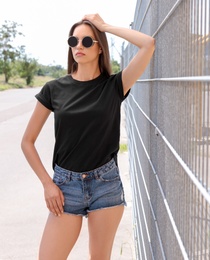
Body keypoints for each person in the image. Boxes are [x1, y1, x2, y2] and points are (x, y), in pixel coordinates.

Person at [21, 14, 155, 259]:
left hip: (105, 185)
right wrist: (47, 184)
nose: (78, 46)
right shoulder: (54, 88)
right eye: (73, 41)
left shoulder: (115, 86)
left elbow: (148, 44)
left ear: (100, 48)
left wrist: (104, 27)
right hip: (65, 187)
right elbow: (27, 141)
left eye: (86, 41)